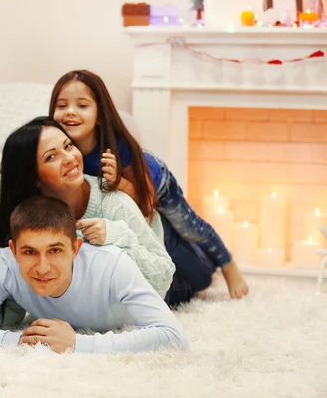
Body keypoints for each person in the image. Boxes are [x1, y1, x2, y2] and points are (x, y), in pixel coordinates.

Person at [49, 69, 249, 304]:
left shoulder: (116, 147)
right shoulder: (59, 146)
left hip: (153, 184)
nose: (70, 112)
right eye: (62, 106)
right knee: (165, 233)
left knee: (189, 226)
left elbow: (143, 199)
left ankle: (227, 263)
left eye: (82, 106)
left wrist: (118, 183)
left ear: (100, 115)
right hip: (125, 195)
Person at [0, 117, 174, 327]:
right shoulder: (29, 218)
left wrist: (117, 235)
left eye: (68, 146)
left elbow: (163, 280)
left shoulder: (115, 203)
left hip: (166, 285)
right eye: (51, 157)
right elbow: (16, 290)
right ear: (34, 178)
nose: (69, 158)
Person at [0, 195, 188, 354]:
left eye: (55, 250)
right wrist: (17, 341)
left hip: (171, 286)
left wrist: (78, 344)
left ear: (75, 249)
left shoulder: (113, 265)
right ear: (14, 251)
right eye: (29, 251)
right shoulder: (5, 264)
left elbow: (174, 336)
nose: (42, 267)